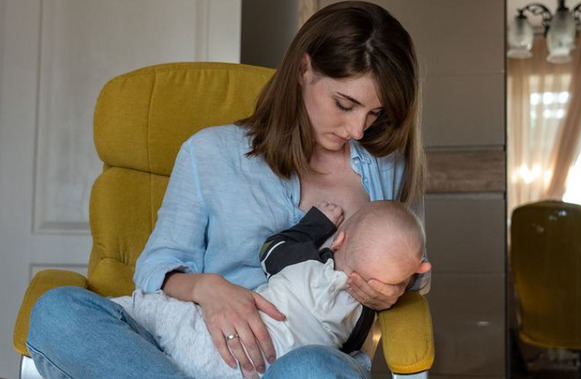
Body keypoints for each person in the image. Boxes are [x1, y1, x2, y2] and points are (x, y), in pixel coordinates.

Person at [27, 1, 431, 378]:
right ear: (304, 69)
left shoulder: (383, 167)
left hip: (300, 357)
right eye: (345, 104)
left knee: (312, 367)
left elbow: (405, 264)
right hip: (192, 349)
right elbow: (155, 269)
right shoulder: (210, 153)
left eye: (374, 113)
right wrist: (210, 290)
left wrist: (393, 288)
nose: (358, 129)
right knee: (57, 312)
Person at [110, 200, 428, 379]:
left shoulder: (308, 263)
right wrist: (405, 282)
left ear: (340, 241)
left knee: (149, 311)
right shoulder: (362, 314)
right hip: (264, 370)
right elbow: (349, 350)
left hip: (209, 344)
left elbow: (273, 248)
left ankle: (118, 312)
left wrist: (319, 224)